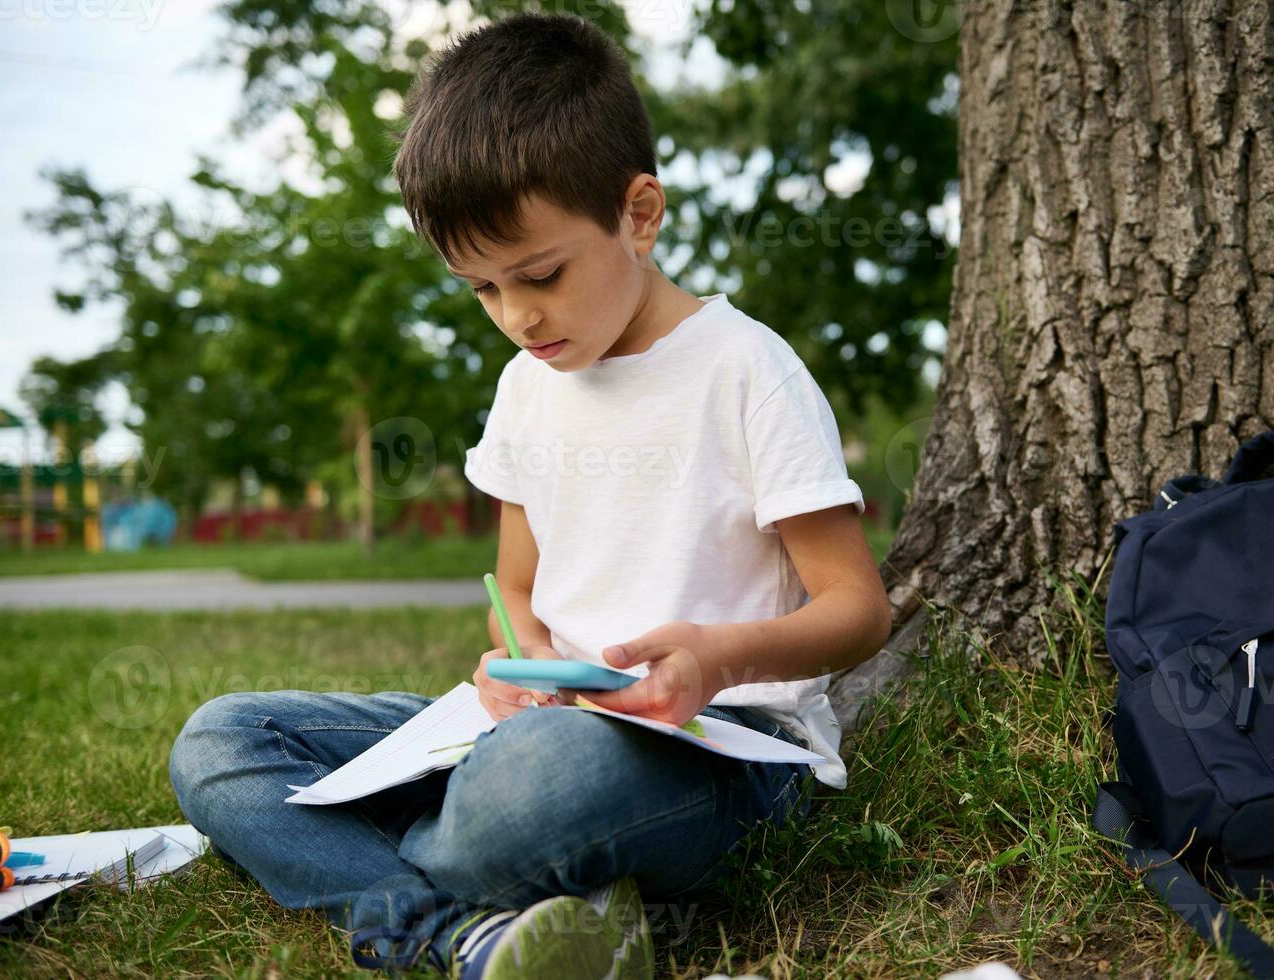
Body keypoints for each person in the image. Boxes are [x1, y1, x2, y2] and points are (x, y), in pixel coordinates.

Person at [168, 11, 891, 978]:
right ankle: (470, 934)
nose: (516, 317)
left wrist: (717, 659)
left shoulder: (745, 371)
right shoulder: (526, 386)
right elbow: (518, 587)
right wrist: (520, 659)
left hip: (720, 746)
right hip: (545, 723)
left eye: (540, 274)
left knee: (535, 788)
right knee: (220, 741)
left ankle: (383, 851)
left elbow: (859, 609)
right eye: (480, 290)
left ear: (639, 215)